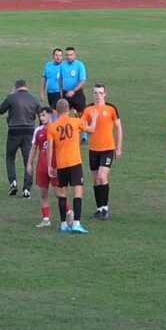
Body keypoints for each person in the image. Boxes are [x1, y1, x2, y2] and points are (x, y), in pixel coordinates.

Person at [46, 99, 96, 233]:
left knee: (63, 193)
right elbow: (91, 130)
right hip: (74, 162)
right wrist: (94, 118)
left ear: (57, 110)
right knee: (78, 192)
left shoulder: (52, 127)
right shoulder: (75, 121)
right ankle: (76, 223)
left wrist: (50, 166)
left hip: (61, 164)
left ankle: (63, 224)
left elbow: (50, 148)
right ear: (68, 110)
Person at [81, 84, 123, 221]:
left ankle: (105, 208)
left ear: (105, 94)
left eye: (100, 93)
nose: (98, 95)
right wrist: (89, 124)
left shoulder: (111, 109)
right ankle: (99, 209)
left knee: (102, 177)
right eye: (95, 93)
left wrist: (119, 147)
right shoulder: (88, 109)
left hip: (107, 149)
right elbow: (82, 126)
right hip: (93, 149)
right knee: (95, 180)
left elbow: (118, 128)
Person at [0, 79, 41, 197]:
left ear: (15, 87)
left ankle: (13, 182)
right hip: (29, 132)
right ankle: (27, 188)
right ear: (27, 86)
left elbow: (0, 110)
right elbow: (42, 116)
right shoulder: (34, 99)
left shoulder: (11, 97)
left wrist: (10, 95)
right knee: (28, 160)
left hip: (14, 131)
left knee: (10, 157)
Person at [26, 107, 58, 227]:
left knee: (58, 193)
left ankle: (68, 212)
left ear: (50, 115)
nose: (42, 118)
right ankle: (45, 219)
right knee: (43, 193)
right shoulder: (38, 130)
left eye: (44, 115)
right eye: (40, 116)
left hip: (54, 165)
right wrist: (29, 163)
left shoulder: (56, 128)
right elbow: (34, 147)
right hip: (42, 166)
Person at [60, 47, 88, 114]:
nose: (69, 57)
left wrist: (73, 91)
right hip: (66, 94)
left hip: (77, 94)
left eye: (71, 55)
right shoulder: (62, 65)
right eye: (67, 55)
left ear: (75, 55)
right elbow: (60, 78)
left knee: (81, 115)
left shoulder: (79, 65)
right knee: (64, 114)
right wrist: (61, 91)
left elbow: (83, 80)